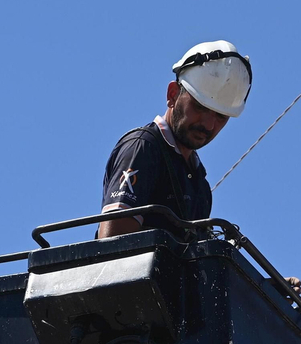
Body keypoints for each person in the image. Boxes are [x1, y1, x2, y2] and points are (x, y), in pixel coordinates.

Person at [98, 41, 251, 238]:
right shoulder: (144, 148)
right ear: (172, 95)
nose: (209, 125)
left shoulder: (199, 184)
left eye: (221, 116)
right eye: (200, 107)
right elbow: (113, 247)